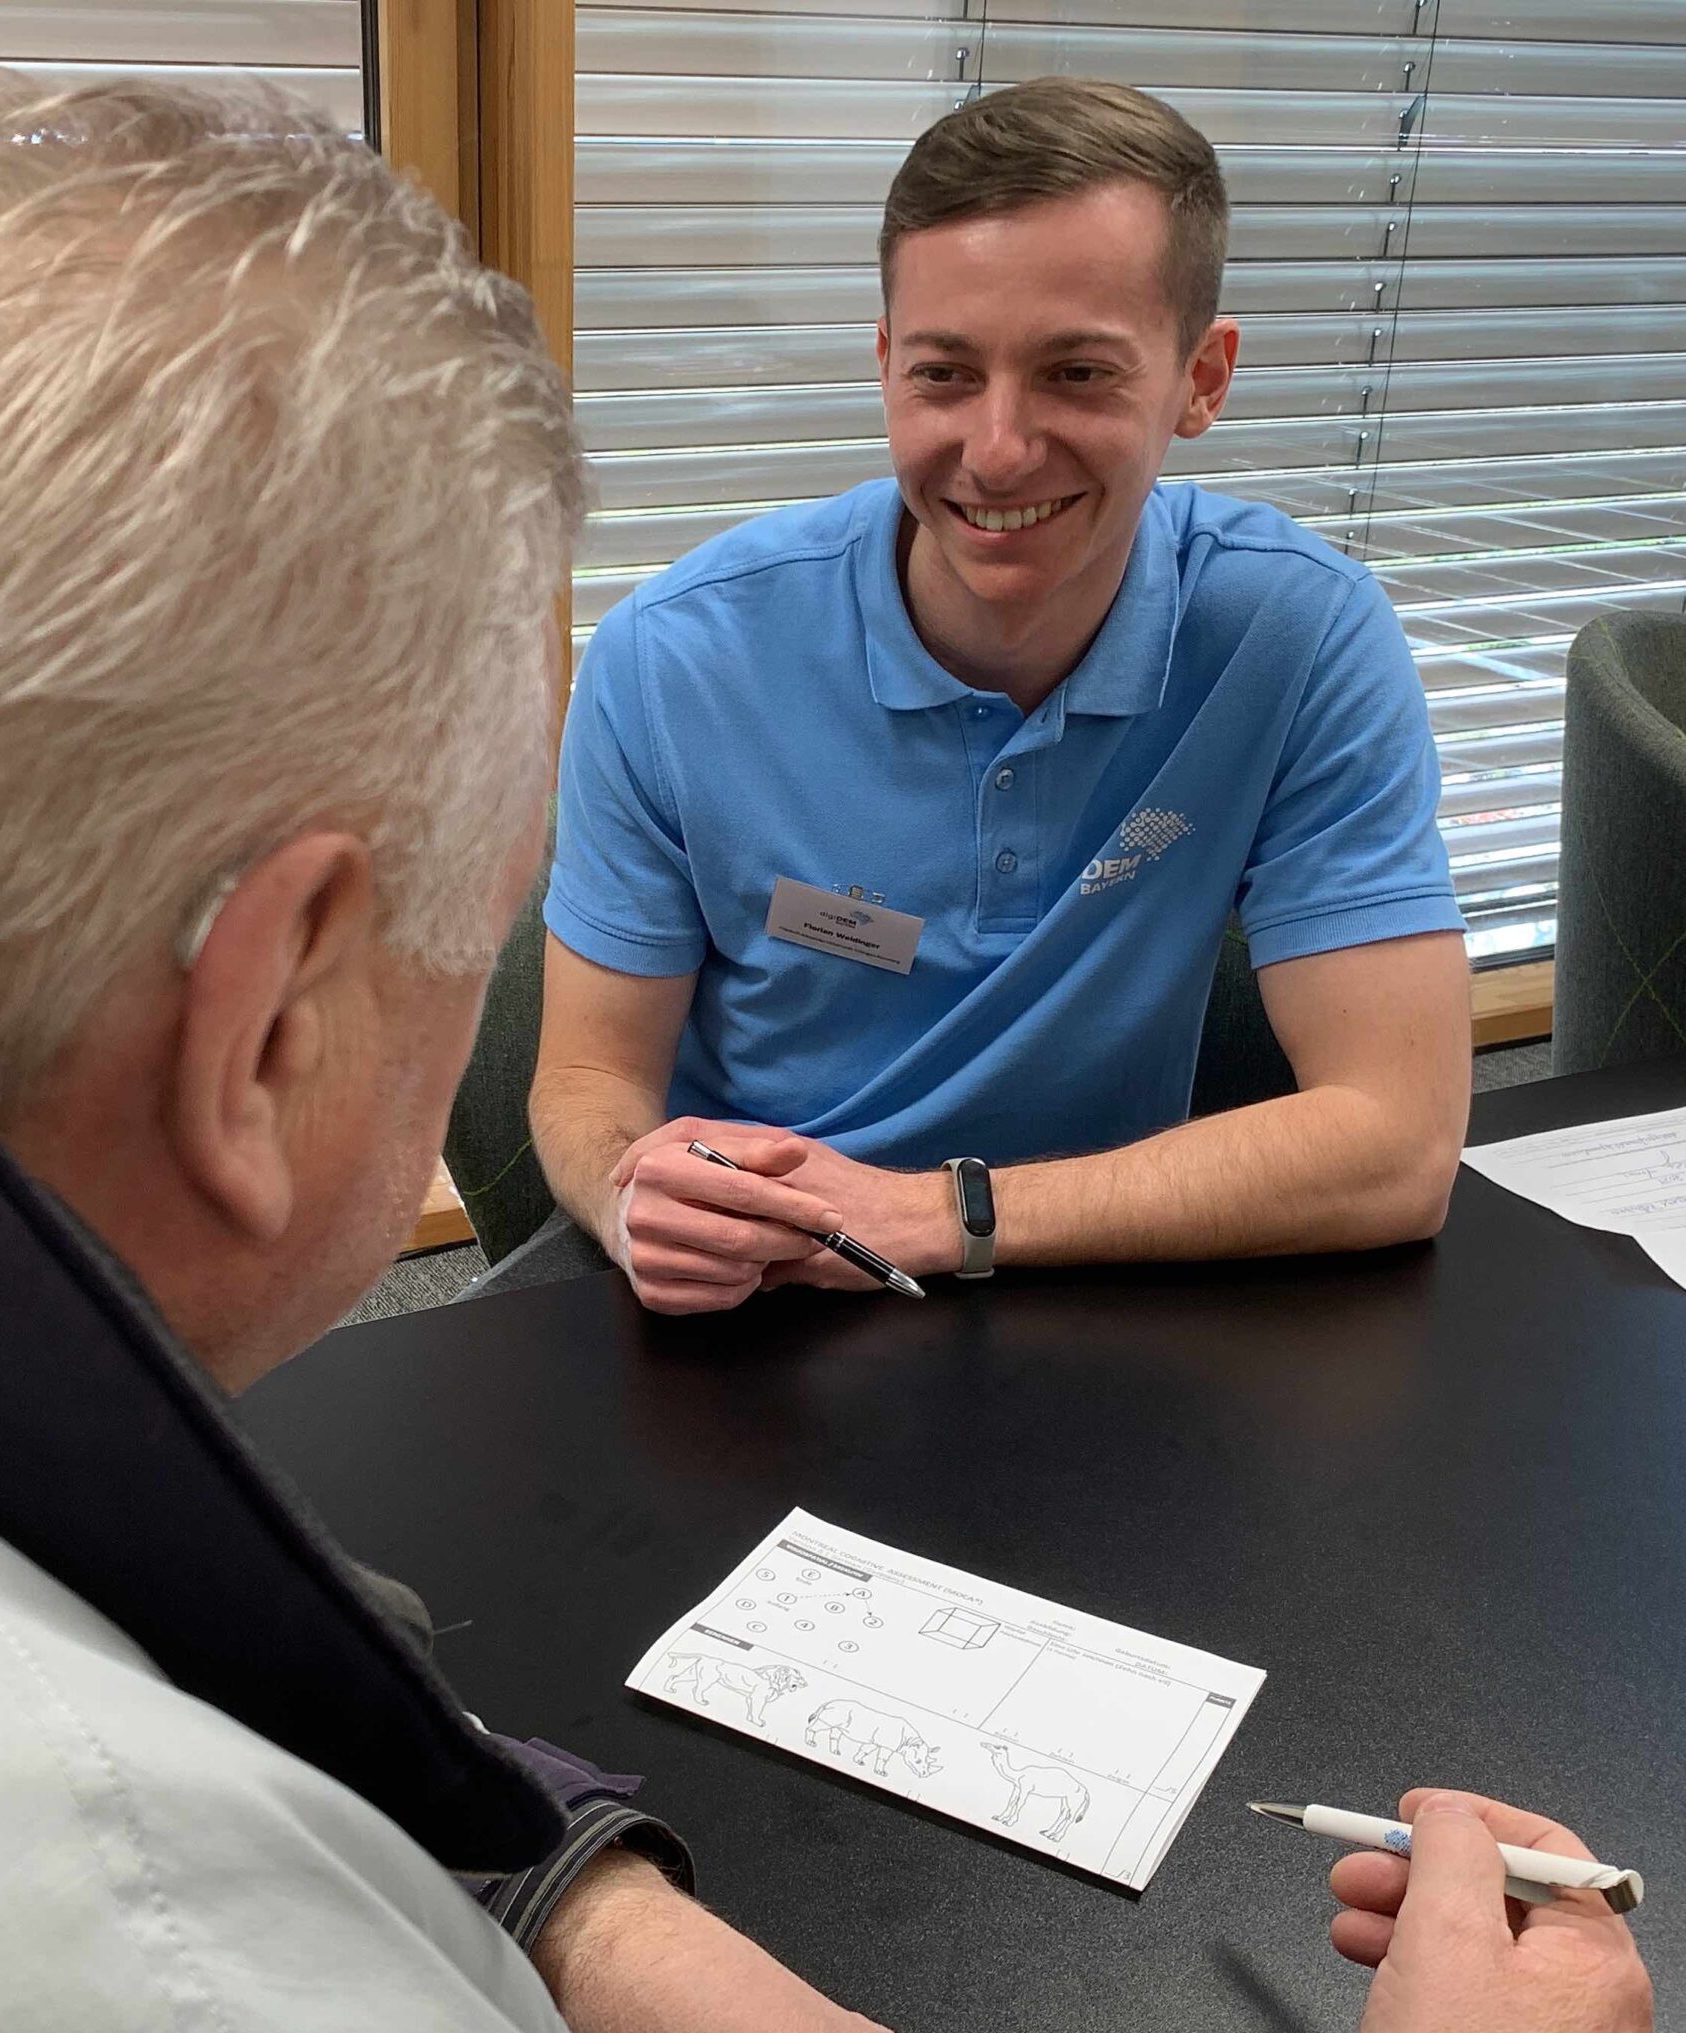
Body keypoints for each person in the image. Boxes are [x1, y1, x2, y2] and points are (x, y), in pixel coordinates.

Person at [0, 66, 1647, 2033]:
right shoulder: (192, 2007)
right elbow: (582, 1112)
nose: (988, 444)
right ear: (273, 1020)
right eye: (468, 919)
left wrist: (559, 1886)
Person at [533, 79, 1476, 1317]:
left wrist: (938, 1214)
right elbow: (585, 1076)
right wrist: (626, 1193)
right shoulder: (673, 657)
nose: (995, 449)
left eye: (1075, 373)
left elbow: (1397, 1145)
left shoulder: (1295, 634)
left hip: (1093, 1278)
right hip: (755, 1297)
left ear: (1201, 378)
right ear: (883, 367)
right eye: (943, 374)